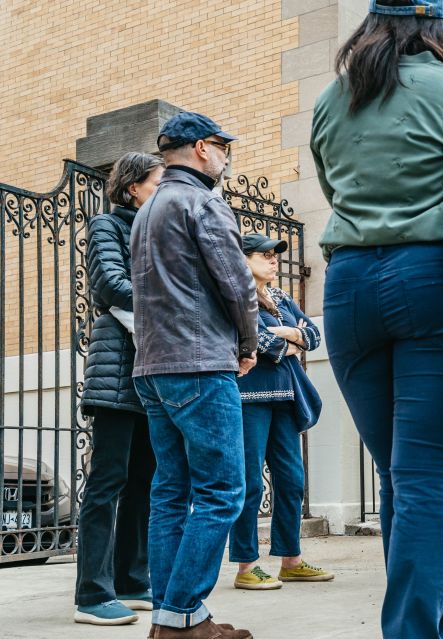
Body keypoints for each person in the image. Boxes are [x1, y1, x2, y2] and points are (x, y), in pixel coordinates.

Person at [311, 1, 443, 636]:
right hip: (431, 279)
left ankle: (427, 621)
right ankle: (413, 632)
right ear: (437, 28)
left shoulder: (328, 100)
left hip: (347, 289)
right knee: (424, 479)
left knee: (400, 471)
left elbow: (333, 188)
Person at [130, 112, 258, 639]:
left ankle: (172, 616)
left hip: (154, 365)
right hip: (199, 362)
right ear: (203, 148)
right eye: (223, 147)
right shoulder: (203, 202)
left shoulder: (147, 209)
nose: (227, 155)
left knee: (170, 492)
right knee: (222, 489)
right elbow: (237, 282)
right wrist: (249, 342)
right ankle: (182, 617)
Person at [74, 152, 164, 626]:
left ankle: (132, 580)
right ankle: (91, 593)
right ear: (133, 188)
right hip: (116, 367)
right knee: (107, 482)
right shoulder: (107, 226)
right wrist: (170, 300)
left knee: (143, 483)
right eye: (157, 183)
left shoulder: (156, 231)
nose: (164, 191)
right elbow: (110, 284)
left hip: (152, 367)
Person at [229, 233, 331, 590]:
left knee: (292, 480)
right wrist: (289, 339)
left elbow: (314, 335)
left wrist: (289, 335)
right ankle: (246, 565)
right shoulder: (235, 296)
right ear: (243, 259)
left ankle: (291, 559)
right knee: (250, 482)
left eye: (276, 255)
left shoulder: (281, 297)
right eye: (264, 255)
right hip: (249, 400)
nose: (274, 261)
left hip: (286, 399)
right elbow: (258, 344)